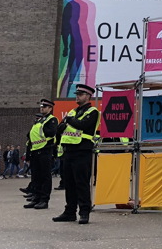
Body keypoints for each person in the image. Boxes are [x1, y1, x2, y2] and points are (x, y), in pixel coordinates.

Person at [53, 83, 101, 225]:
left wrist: (69, 121)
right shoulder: (73, 112)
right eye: (77, 94)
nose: (77, 97)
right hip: (69, 151)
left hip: (82, 151)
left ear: (87, 96)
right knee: (69, 184)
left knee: (81, 183)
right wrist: (69, 121)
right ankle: (69, 212)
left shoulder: (93, 111)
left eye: (80, 94)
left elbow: (82, 125)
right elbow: (60, 128)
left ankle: (84, 212)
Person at [25, 99, 59, 210]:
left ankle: (44, 200)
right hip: (35, 150)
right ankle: (36, 198)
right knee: (36, 177)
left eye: (44, 107)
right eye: (41, 106)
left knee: (45, 176)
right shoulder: (39, 121)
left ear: (50, 108)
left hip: (45, 151)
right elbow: (30, 136)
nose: (42, 108)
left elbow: (51, 133)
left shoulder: (52, 120)